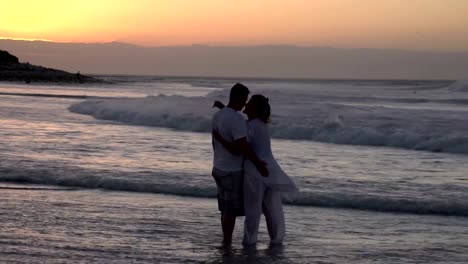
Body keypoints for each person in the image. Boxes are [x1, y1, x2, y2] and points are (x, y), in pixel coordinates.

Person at [213, 94, 298, 246]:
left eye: (249, 102)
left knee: (253, 209)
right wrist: (224, 109)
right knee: (271, 209)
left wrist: (220, 138)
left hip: (255, 171)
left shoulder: (250, 126)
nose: (246, 103)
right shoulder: (261, 124)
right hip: (270, 170)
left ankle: (250, 242)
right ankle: (276, 241)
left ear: (255, 108)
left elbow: (240, 148)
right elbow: (236, 120)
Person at [211, 83, 268, 245]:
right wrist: (259, 163)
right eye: (245, 99)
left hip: (218, 167)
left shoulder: (218, 116)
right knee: (230, 210)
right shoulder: (236, 119)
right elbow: (241, 148)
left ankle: (226, 241)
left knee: (225, 207)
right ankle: (227, 243)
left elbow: (214, 143)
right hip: (232, 170)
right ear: (239, 97)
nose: (245, 103)